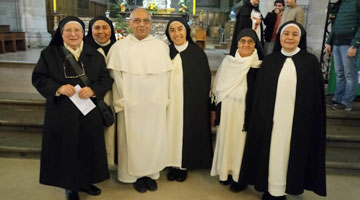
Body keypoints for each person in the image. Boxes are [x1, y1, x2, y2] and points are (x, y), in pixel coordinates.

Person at [239, 21, 326, 200]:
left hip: (298, 122)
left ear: (300, 38)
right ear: (280, 37)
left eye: (295, 34)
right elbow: (259, 95)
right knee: (271, 153)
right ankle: (270, 189)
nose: (290, 38)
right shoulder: (270, 61)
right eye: (286, 34)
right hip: (271, 121)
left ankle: (286, 189)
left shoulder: (310, 62)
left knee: (290, 154)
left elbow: (316, 98)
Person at [32, 16, 113, 200]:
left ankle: (86, 180)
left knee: (88, 147)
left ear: (83, 33)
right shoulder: (49, 54)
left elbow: (106, 79)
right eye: (68, 30)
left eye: (77, 30)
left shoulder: (95, 54)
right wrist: (58, 88)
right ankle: (70, 186)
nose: (73, 34)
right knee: (66, 148)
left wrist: (93, 90)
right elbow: (39, 78)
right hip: (61, 112)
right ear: (62, 34)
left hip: (88, 112)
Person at [106, 8, 173, 193]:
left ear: (151, 24)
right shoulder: (119, 48)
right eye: (137, 21)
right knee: (132, 142)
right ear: (130, 23)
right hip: (131, 105)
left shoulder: (161, 47)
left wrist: (162, 100)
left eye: (145, 21)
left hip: (154, 105)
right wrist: (124, 102)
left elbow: (166, 76)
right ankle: (131, 176)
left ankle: (150, 174)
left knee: (153, 140)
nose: (141, 25)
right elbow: (116, 77)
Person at [210, 28, 263, 193]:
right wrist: (214, 111)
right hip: (227, 112)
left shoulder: (259, 66)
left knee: (240, 146)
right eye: (242, 41)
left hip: (244, 114)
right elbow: (218, 89)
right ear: (237, 44)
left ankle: (239, 178)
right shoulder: (228, 63)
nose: (246, 44)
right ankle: (225, 173)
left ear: (255, 45)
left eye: (250, 42)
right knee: (226, 141)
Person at [164, 18, 213, 182]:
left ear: (186, 31)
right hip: (169, 102)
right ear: (168, 33)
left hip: (190, 103)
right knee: (170, 131)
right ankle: (171, 163)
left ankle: (183, 165)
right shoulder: (164, 52)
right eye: (172, 30)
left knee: (186, 132)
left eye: (180, 29)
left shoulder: (197, 54)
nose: (176, 33)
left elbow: (204, 82)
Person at [85, 16, 117, 167]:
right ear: (90, 30)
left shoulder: (119, 47)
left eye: (105, 28)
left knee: (113, 131)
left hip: (116, 94)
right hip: (91, 95)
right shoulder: (84, 47)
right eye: (97, 28)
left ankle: (112, 162)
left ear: (111, 30)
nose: (101, 32)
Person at [325, 0, 360, 111]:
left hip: (349, 44)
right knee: (339, 73)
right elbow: (335, 25)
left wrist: (355, 44)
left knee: (349, 75)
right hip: (336, 43)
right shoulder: (340, 3)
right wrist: (329, 42)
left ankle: (346, 103)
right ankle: (337, 99)